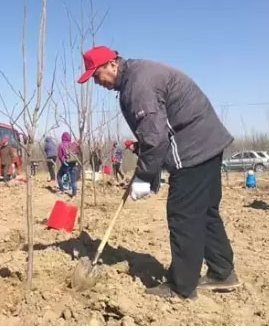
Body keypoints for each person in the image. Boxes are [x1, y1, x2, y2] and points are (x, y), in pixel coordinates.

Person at [77, 45, 237, 300]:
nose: (97, 83)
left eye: (96, 76)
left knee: (183, 215)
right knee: (205, 212)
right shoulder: (137, 75)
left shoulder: (137, 85)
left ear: (111, 64)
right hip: (208, 144)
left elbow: (155, 136)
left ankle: (182, 286)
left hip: (192, 150)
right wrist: (147, 159)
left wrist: (144, 176)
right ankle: (222, 272)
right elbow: (156, 130)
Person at [57, 132, 78, 197]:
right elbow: (77, 153)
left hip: (66, 164)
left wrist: (63, 162)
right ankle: (74, 195)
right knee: (73, 180)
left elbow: (60, 156)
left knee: (59, 176)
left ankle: (62, 190)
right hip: (73, 164)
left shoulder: (61, 145)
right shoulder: (73, 145)